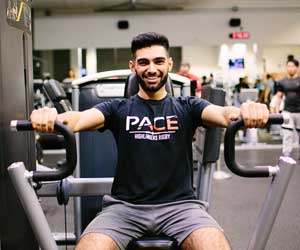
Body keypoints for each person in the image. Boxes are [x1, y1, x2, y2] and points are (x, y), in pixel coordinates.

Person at [30, 32, 269, 250]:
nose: (151, 69)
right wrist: (51, 116)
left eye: (158, 61)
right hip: (124, 209)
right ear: (133, 67)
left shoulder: (188, 107)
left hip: (181, 208)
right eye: (144, 62)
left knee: (215, 246)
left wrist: (247, 110)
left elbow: (223, 114)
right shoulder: (118, 108)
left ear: (169, 64)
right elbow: (77, 120)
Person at [271, 58, 300, 156]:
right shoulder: (282, 82)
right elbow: (279, 96)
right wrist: (277, 111)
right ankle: (286, 154)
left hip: (299, 112)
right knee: (287, 134)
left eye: (292, 66)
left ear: (297, 67)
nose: (290, 68)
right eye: (288, 66)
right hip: (287, 111)